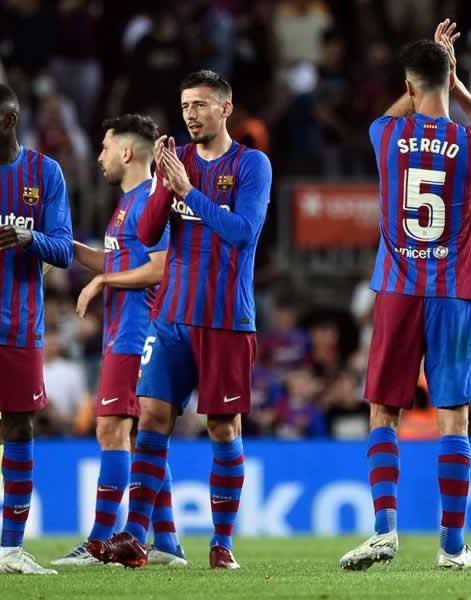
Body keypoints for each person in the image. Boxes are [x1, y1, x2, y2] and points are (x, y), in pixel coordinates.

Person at [339, 20, 471, 571]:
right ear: (450, 79)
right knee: (452, 418)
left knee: (382, 410)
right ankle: (453, 548)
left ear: (409, 85)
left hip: (396, 286)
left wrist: (424, 81)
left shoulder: (385, 136)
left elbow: (389, 115)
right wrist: (457, 85)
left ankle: (384, 532)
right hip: (453, 290)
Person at [86, 70, 272, 570]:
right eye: (186, 105)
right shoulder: (178, 161)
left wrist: (188, 191)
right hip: (172, 317)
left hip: (226, 318)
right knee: (150, 416)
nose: (191, 113)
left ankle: (222, 543)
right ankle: (134, 536)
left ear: (225, 109)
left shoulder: (252, 164)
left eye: (202, 105)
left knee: (222, 426)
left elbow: (241, 232)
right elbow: (147, 235)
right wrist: (164, 187)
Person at [52, 114, 186, 567]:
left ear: (127, 152)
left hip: (140, 332)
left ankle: (98, 543)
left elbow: (162, 265)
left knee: (112, 429)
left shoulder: (153, 197)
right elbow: (113, 258)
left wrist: (104, 282)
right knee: (142, 435)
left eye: (105, 148)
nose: (100, 157)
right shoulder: (126, 203)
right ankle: (167, 543)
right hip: (122, 332)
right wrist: (57, 244)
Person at [0, 83, 73, 575]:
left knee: (20, 425)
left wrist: (29, 237)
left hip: (19, 326)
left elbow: (65, 250)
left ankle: (9, 549)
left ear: (7, 121)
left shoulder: (44, 173)